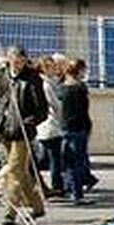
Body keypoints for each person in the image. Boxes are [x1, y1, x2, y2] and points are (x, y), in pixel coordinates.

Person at [0, 47, 48, 225]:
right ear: (9, 59)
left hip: (22, 132)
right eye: (14, 61)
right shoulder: (3, 75)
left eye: (21, 61)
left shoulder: (33, 79)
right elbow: (0, 100)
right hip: (4, 128)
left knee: (14, 170)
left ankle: (10, 213)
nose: (18, 65)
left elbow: (42, 110)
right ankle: (37, 205)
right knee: (22, 172)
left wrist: (29, 122)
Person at [58, 58, 93, 203]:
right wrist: (89, 126)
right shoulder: (80, 88)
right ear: (79, 70)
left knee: (68, 161)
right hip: (80, 127)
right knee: (78, 161)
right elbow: (84, 110)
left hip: (66, 127)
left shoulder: (62, 88)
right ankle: (77, 193)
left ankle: (70, 189)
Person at [35, 53, 65, 199]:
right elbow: (55, 105)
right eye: (50, 67)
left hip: (47, 126)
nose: (53, 69)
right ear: (43, 68)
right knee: (54, 159)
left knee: (46, 158)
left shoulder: (49, 82)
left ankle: (48, 186)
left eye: (53, 66)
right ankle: (57, 186)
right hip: (50, 125)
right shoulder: (46, 84)